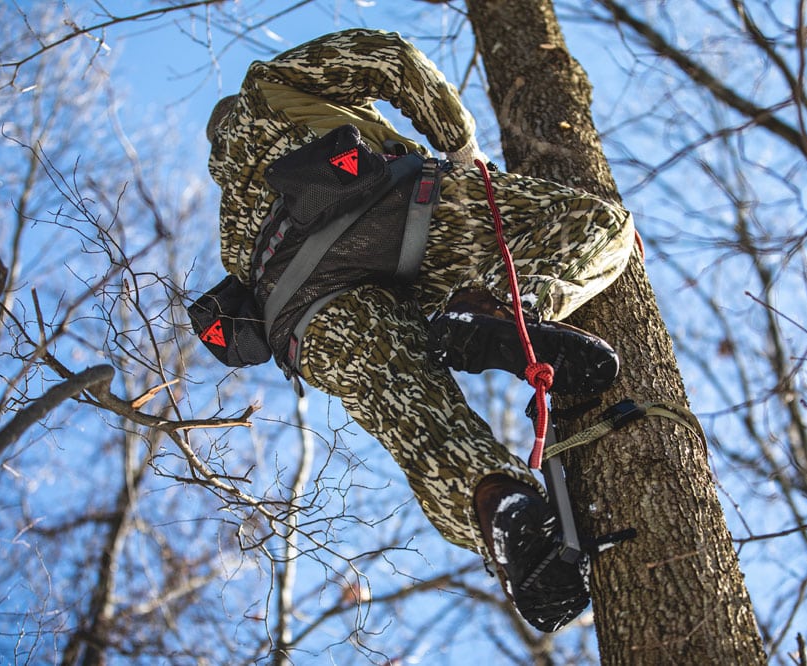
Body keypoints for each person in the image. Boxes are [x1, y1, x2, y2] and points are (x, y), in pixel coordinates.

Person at [205, 28, 636, 632]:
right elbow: (390, 56)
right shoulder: (268, 84)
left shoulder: (230, 229)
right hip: (393, 216)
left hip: (304, 314)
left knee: (414, 413)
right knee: (597, 223)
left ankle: (501, 507)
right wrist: (461, 149)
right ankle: (494, 311)